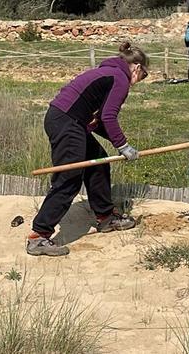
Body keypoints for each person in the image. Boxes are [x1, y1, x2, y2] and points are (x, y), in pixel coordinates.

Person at [27, 42, 148, 257]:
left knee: (99, 161)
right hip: (67, 122)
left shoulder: (109, 72)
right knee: (69, 176)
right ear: (136, 67)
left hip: (66, 120)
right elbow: (108, 116)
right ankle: (39, 236)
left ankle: (106, 218)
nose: (140, 81)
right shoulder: (120, 78)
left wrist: (120, 144)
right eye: (144, 75)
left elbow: (99, 121)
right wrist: (123, 145)